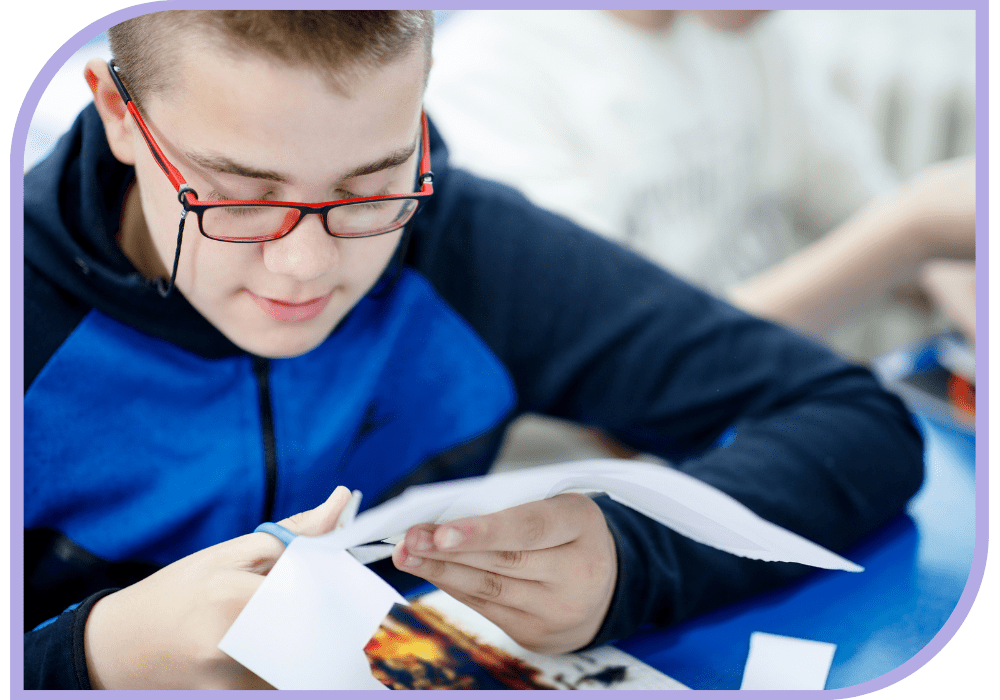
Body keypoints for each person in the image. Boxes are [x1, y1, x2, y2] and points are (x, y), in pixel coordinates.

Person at [23, 10, 923, 690]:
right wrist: (89, 657)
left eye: (370, 187)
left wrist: (628, 562)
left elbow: (853, 417)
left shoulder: (466, 242)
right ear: (118, 115)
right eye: (235, 198)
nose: (304, 267)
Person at [424, 10, 976, 359]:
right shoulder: (491, 78)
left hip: (775, 409)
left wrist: (938, 252)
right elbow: (630, 376)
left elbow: (866, 211)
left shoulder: (750, 36)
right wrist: (912, 234)